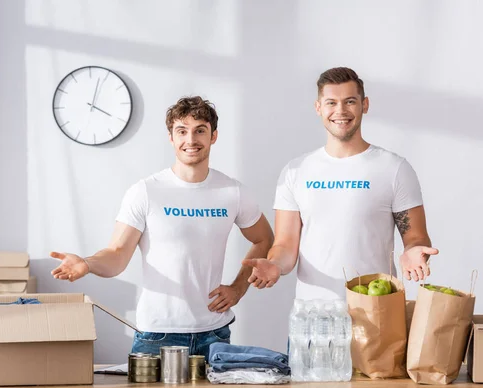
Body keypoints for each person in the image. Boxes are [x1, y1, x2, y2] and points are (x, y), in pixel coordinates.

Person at [50, 96, 274, 361]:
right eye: (182, 131)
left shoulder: (233, 192)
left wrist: (238, 288)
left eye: (200, 130)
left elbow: (264, 239)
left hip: (215, 333)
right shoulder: (146, 191)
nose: (190, 140)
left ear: (213, 136)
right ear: (171, 137)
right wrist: (86, 263)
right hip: (156, 336)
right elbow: (117, 254)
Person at [243, 67, 438, 299]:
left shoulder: (394, 168)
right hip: (313, 316)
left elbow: (415, 236)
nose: (341, 111)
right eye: (331, 103)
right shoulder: (295, 172)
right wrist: (274, 264)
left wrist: (413, 251)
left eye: (350, 102)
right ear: (318, 108)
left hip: (375, 310)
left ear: (364, 105)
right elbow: (285, 244)